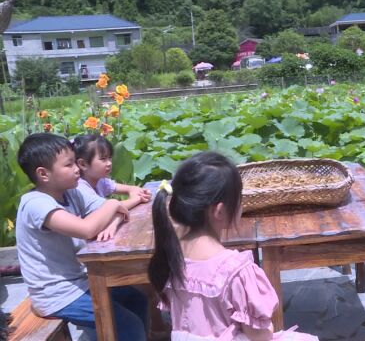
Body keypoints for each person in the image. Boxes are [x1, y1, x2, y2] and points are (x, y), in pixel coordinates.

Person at [148, 151, 318, 341]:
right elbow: (258, 336)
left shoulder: (171, 256)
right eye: (239, 199)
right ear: (219, 211)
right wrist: (267, 327)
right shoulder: (235, 269)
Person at [15, 133, 148, 341]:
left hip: (80, 281)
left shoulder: (71, 191)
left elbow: (105, 211)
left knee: (136, 299)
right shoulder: (35, 203)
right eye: (68, 165)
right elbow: (87, 228)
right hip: (56, 293)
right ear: (43, 174)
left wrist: (113, 208)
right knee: (127, 325)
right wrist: (113, 204)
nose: (77, 169)